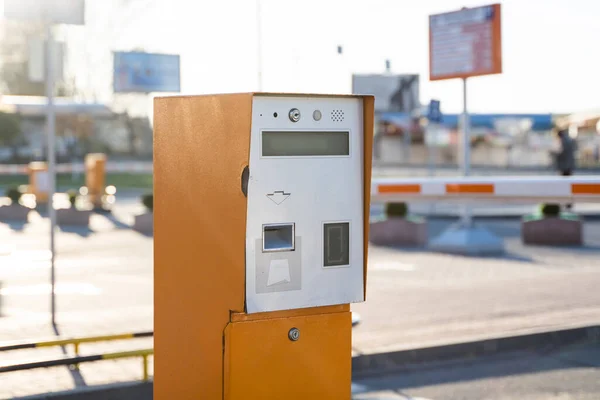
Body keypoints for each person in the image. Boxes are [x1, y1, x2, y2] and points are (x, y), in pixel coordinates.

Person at [553, 129, 577, 209]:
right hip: (569, 166)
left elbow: (562, 152)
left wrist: (554, 154)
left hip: (565, 166)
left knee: (564, 185)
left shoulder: (564, 140)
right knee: (569, 185)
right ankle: (568, 203)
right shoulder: (568, 139)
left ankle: (566, 202)